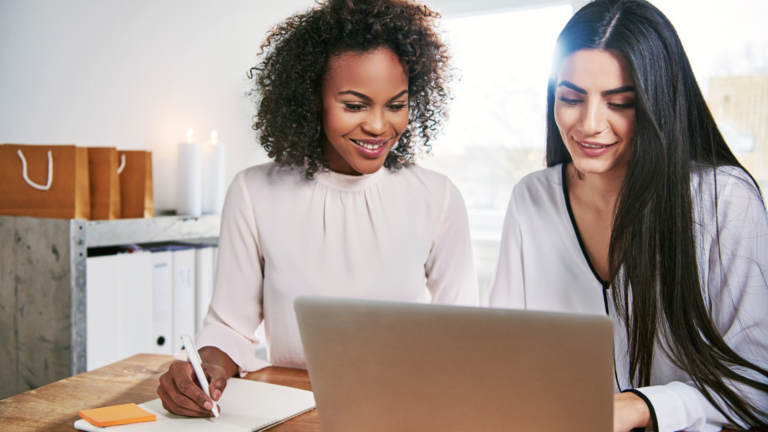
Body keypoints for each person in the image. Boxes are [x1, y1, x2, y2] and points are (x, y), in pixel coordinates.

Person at [157, 0, 478, 417]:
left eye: (395, 105)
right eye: (355, 105)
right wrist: (205, 371)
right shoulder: (254, 191)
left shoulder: (438, 198)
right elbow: (229, 325)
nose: (379, 126)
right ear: (313, 99)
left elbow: (464, 337)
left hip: (403, 410)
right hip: (289, 410)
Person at [487, 0, 768, 431]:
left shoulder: (724, 199)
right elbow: (502, 358)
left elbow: (755, 384)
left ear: (659, 105)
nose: (589, 123)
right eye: (571, 98)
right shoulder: (532, 198)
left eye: (619, 102)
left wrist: (643, 406)